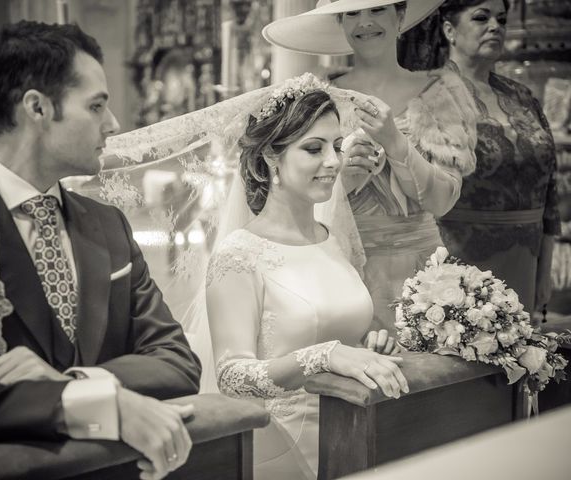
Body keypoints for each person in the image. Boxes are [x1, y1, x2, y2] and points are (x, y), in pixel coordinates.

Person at [0, 21, 201, 480]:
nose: (113, 124)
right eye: (96, 106)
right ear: (37, 107)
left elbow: (177, 361)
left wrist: (79, 385)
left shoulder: (107, 224)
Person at [206, 77, 409, 479]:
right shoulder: (238, 254)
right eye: (313, 149)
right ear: (270, 156)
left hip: (354, 434)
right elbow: (232, 376)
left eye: (336, 146)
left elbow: (338, 330)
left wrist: (368, 344)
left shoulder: (332, 240)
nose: (333, 161)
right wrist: (323, 355)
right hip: (285, 451)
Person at [262, 0, 478, 333]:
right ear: (340, 21)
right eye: (352, 12)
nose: (365, 22)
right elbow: (284, 194)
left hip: (418, 274)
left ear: (401, 15)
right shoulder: (317, 98)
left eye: (377, 9)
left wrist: (396, 142)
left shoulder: (439, 93)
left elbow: (442, 201)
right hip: (334, 265)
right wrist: (341, 181)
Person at [435, 0, 561, 317]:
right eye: (481, 17)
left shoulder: (522, 96)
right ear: (449, 29)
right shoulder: (429, 95)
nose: (495, 26)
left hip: (527, 259)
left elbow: (550, 189)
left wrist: (545, 268)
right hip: (460, 264)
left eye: (501, 20)